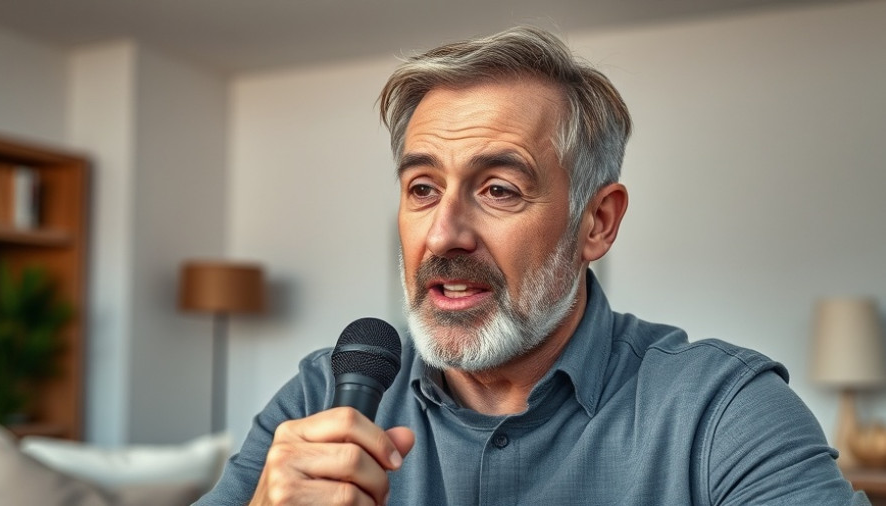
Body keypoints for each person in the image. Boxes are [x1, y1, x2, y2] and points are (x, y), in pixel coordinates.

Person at [197, 26, 869, 505]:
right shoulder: (323, 396)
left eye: (498, 190)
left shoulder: (724, 411)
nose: (444, 233)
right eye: (422, 189)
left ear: (596, 223)